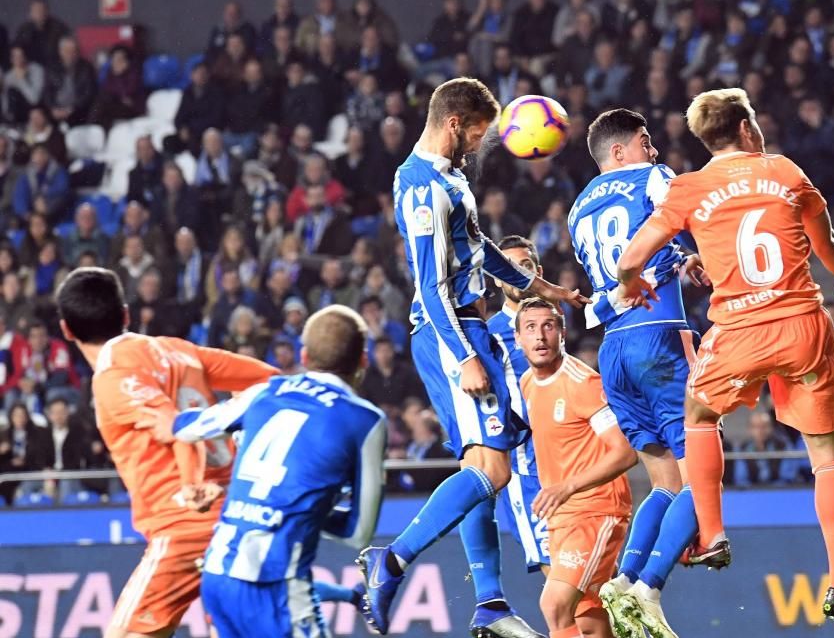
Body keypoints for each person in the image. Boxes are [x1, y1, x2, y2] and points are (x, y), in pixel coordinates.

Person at [616, 87, 834, 628]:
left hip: (736, 330)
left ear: (707, 139)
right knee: (829, 458)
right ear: (748, 129)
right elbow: (823, 242)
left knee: (699, 416)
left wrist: (632, 280)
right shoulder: (785, 171)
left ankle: (711, 535)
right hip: (802, 323)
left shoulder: (688, 188)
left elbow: (631, 257)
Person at [357, 78, 587, 638]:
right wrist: (463, 356)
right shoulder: (421, 188)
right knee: (493, 469)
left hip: (470, 327)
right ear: (455, 123)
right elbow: (430, 286)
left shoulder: (450, 176)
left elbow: (478, 248)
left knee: (482, 464)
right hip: (450, 332)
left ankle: (489, 603)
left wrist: (542, 287)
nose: (481, 147)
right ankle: (390, 561)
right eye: (479, 135)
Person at [54, 267, 277, 638]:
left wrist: (191, 484)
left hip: (185, 526)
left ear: (66, 330)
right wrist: (242, 433)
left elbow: (175, 425)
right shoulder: (176, 349)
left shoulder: (111, 376)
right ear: (125, 314)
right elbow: (271, 381)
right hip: (239, 514)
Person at [151, 304, 385, 637]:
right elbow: (357, 533)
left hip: (218, 575)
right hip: (277, 584)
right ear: (364, 359)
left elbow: (185, 429)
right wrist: (295, 509)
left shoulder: (264, 391)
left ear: (304, 355)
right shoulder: (366, 420)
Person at [564, 108, 701, 638]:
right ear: (619, 151)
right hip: (659, 333)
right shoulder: (651, 178)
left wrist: (677, 259)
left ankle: (623, 581)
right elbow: (687, 218)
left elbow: (624, 265)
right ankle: (649, 589)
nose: (656, 150)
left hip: (612, 350)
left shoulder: (577, 209)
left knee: (664, 481)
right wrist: (694, 256)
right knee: (704, 473)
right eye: (646, 141)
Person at [516, 297, 634, 638]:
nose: (540, 336)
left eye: (549, 326)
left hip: (597, 510)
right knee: (589, 619)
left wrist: (567, 487)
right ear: (519, 339)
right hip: (562, 515)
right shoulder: (527, 383)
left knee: (554, 605)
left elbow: (624, 452)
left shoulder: (582, 383)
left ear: (563, 334)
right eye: (531, 328)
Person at [487, 236, 551, 579]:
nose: (515, 274)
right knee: (559, 579)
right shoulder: (490, 334)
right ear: (496, 277)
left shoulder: (552, 326)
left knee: (592, 574)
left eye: (523, 267)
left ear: (537, 272)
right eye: (506, 267)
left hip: (571, 463)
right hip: (528, 470)